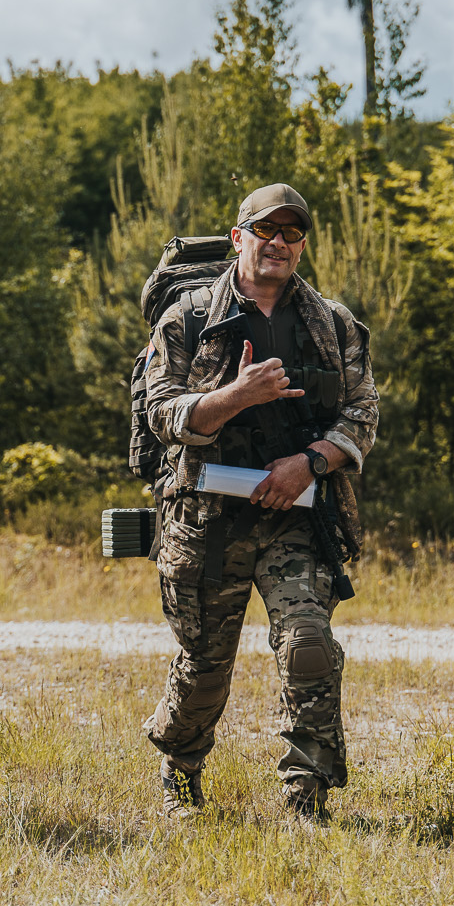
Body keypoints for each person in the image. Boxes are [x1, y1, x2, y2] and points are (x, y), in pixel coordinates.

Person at [140, 183, 379, 820]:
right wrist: (234, 397)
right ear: (239, 237)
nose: (278, 243)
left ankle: (306, 795)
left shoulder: (333, 323)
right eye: (265, 231)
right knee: (204, 663)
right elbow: (162, 412)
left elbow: (362, 413)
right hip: (206, 518)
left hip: (295, 515)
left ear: (301, 244)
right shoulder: (187, 318)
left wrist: (309, 464)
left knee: (308, 641)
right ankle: (180, 768)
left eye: (292, 233)